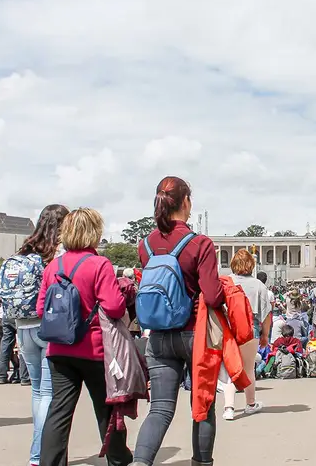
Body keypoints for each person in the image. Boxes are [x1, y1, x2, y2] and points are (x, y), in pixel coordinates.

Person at [132, 176, 224, 466]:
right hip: (193, 333)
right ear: (186, 202)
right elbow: (212, 296)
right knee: (202, 406)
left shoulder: (145, 245)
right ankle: (201, 462)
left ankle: (140, 462)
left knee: (159, 409)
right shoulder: (200, 243)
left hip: (158, 334)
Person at [37, 207, 132, 466]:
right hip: (93, 350)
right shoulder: (99, 264)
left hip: (58, 349)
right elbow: (114, 306)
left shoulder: (53, 266)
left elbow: (40, 309)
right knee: (107, 409)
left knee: (59, 411)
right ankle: (118, 458)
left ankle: (50, 462)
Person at [14, 204, 68, 466]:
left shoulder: (24, 251)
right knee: (49, 394)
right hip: (47, 327)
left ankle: (38, 451)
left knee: (37, 393)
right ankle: (39, 455)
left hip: (22, 326)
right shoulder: (56, 254)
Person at [222, 249, 269, 421]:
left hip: (229, 327)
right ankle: (250, 403)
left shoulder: (226, 282)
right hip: (251, 328)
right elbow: (266, 314)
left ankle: (229, 407)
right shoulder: (259, 285)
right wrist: (265, 334)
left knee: (230, 368)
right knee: (249, 368)